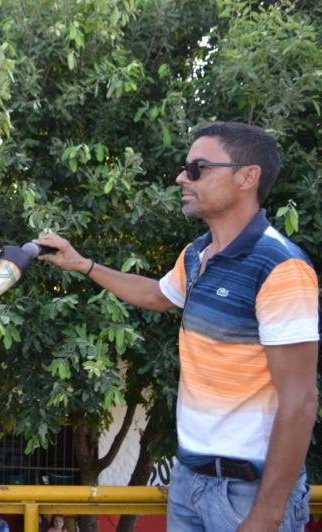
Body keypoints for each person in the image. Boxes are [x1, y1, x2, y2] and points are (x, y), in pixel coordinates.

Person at [36, 122, 318, 531]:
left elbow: (300, 400)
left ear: (247, 176)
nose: (182, 178)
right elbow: (157, 295)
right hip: (189, 481)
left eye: (198, 168)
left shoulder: (280, 267)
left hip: (247, 494)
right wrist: (83, 264)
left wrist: (267, 515)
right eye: (185, 168)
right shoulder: (198, 254)